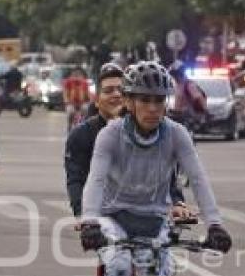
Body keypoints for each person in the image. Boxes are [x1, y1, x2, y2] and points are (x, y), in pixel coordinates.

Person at [79, 61, 232, 276]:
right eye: (145, 100)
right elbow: (95, 179)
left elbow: (198, 178)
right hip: (113, 216)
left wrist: (215, 223)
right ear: (130, 102)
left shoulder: (176, 134)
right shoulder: (110, 135)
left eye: (159, 100)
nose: (152, 108)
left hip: (154, 219)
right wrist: (89, 221)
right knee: (118, 266)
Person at [64, 62, 187, 218]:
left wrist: (177, 203)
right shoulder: (80, 135)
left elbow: (167, 175)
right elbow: (76, 179)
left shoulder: (152, 129)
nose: (116, 95)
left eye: (121, 91)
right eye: (108, 91)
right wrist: (83, 215)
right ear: (96, 100)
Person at [167, 61, 207, 129]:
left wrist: (204, 112)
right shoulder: (177, 85)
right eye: (173, 75)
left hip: (186, 118)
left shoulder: (189, 85)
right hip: (178, 116)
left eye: (175, 74)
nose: (174, 77)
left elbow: (198, 98)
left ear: (180, 73)